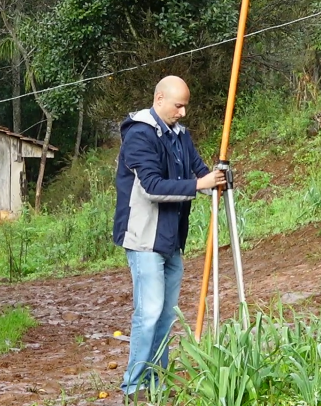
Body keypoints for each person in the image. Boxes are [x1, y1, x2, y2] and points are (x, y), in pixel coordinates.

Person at [113, 75, 225, 402]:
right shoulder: (138, 136)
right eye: (178, 105)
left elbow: (199, 171)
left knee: (165, 315)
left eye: (185, 106)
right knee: (148, 314)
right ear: (159, 99)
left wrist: (216, 178)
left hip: (172, 239)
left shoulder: (180, 135)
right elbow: (152, 186)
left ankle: (158, 382)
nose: (183, 112)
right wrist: (199, 185)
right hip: (145, 238)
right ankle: (133, 388)